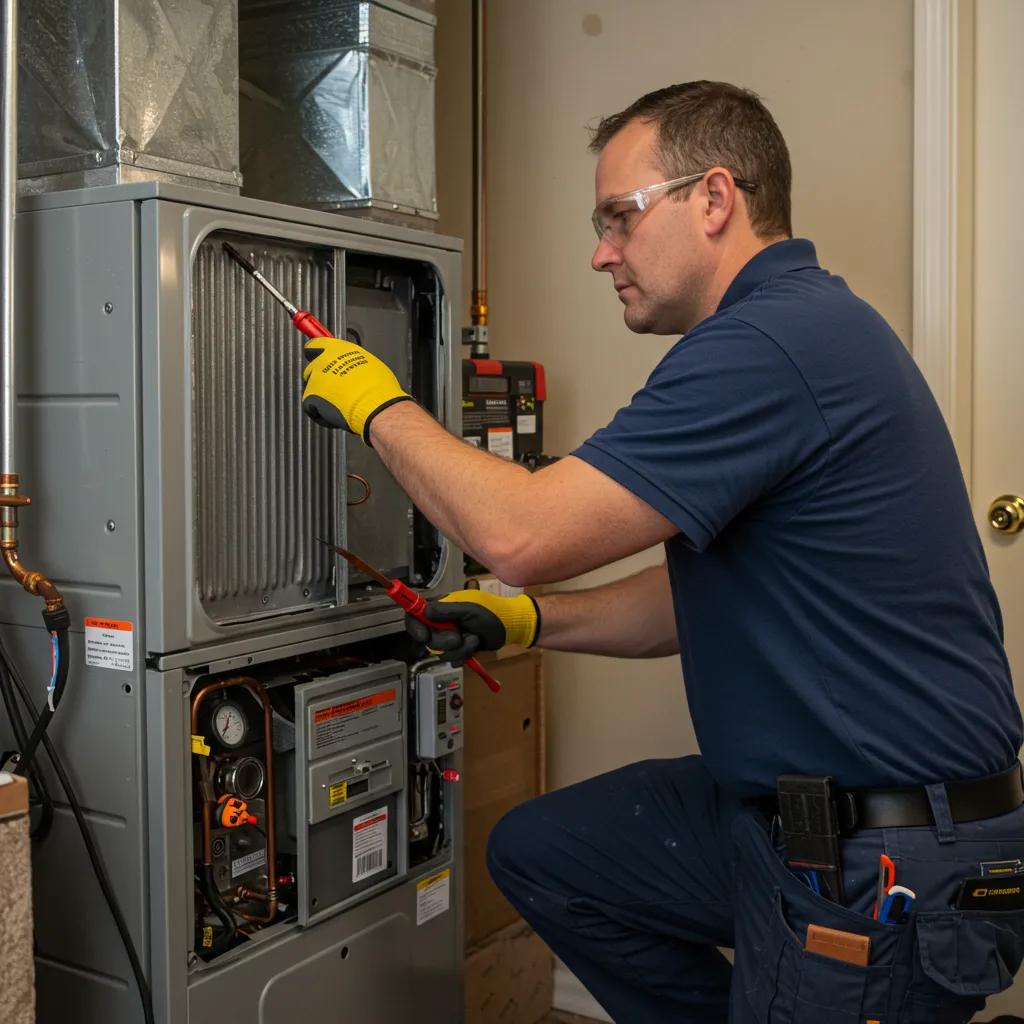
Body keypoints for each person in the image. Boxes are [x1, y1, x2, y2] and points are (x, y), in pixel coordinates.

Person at [299, 81, 1024, 1023]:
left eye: (619, 217)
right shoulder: (806, 326)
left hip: (879, 856)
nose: (601, 254)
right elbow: (701, 602)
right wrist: (530, 620)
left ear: (715, 198)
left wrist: (377, 405)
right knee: (544, 852)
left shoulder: (769, 342)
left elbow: (520, 532)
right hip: (801, 816)